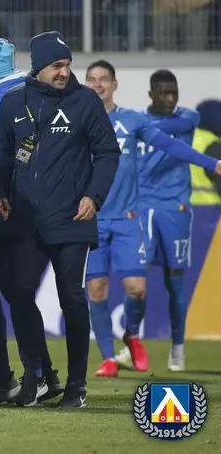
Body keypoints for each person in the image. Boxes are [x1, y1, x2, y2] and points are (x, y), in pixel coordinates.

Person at [0, 32, 120, 408]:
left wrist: (93, 196)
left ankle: (77, 385)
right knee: (18, 291)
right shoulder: (14, 103)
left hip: (72, 218)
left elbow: (108, 152)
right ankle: (37, 375)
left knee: (72, 299)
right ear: (38, 67)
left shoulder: (84, 101)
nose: (64, 72)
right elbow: (2, 153)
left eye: (67, 65)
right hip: (27, 219)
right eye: (56, 66)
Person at [85, 61, 221, 378]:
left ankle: (132, 336)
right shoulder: (78, 122)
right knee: (97, 289)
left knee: (137, 289)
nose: (98, 84)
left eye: (103, 79)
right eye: (91, 79)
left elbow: (169, 144)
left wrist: (210, 163)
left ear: (115, 84)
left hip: (127, 218)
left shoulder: (131, 121)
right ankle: (108, 359)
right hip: (92, 219)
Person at [0, 38, 62, 405]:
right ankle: (43, 373)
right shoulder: (36, 94)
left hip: (1, 204)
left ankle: (4, 377)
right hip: (38, 206)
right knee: (15, 290)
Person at [116, 70, 210, 372]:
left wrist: (144, 126)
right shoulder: (139, 121)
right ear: (151, 95)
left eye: (174, 93)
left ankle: (177, 348)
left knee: (175, 280)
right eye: (164, 93)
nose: (170, 99)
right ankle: (131, 343)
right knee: (137, 279)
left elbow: (181, 124)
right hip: (141, 208)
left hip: (175, 207)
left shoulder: (188, 117)